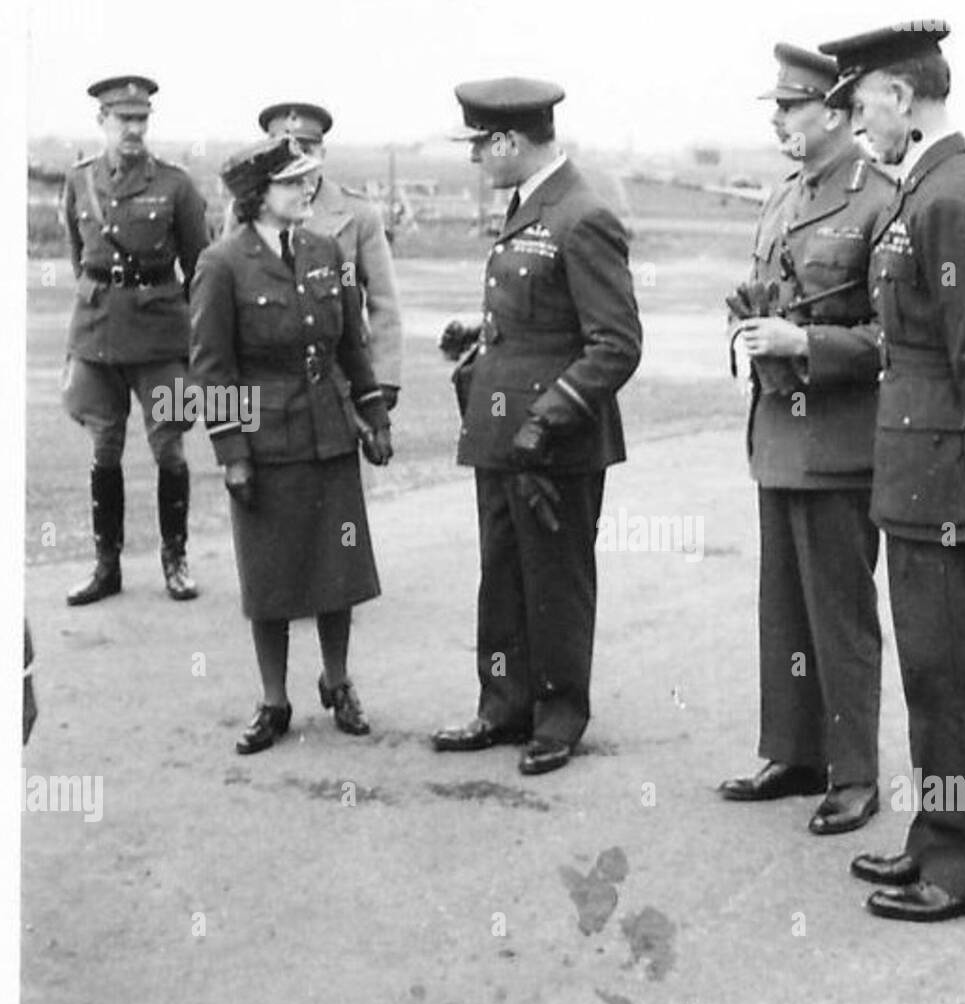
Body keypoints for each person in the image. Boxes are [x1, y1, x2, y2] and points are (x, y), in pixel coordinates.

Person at [818, 22, 965, 921]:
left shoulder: (953, 196)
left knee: (955, 676)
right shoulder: (932, 186)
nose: (857, 119)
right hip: (920, 476)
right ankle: (935, 837)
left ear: (904, 97)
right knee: (929, 669)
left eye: (863, 100)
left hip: (951, 479)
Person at [433, 78, 642, 776]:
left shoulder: (582, 216)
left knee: (555, 580)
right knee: (502, 574)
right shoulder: (531, 207)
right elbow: (537, 317)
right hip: (500, 435)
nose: (474, 162)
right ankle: (502, 706)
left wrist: (548, 417)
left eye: (478, 148)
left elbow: (615, 343)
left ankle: (558, 716)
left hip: (555, 444)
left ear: (508, 142)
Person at [716, 44, 895, 836]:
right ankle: (793, 751)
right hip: (779, 437)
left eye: (790, 106)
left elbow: (898, 338)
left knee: (839, 614)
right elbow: (768, 293)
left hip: (842, 441)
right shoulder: (783, 197)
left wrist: (806, 347)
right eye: (777, 107)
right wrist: (749, 333)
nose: (778, 119)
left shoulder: (880, 200)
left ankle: (855, 773)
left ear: (835, 109)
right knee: (783, 608)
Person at [190, 138, 393, 754]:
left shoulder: (325, 250)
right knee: (270, 575)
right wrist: (231, 454)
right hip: (264, 441)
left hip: (328, 433)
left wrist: (373, 412)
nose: (306, 191)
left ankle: (338, 682)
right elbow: (211, 368)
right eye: (291, 183)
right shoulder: (222, 263)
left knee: (338, 567)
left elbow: (351, 343)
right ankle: (274, 701)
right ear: (257, 196)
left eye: (309, 180)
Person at [61, 75, 209, 605]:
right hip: (97, 334)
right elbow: (80, 258)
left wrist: (192, 338)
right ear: (101, 122)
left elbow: (200, 268)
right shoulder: (80, 182)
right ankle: (107, 566)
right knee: (104, 449)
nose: (134, 129)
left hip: (160, 336)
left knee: (169, 445)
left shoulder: (176, 185)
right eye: (123, 120)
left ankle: (176, 559)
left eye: (141, 120)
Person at [248, 102, 404, 411]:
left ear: (323, 154)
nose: (298, 162)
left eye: (307, 150)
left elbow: (383, 301)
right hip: (263, 373)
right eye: (285, 151)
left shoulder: (358, 215)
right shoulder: (246, 214)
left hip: (336, 368)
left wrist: (384, 377)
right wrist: (229, 421)